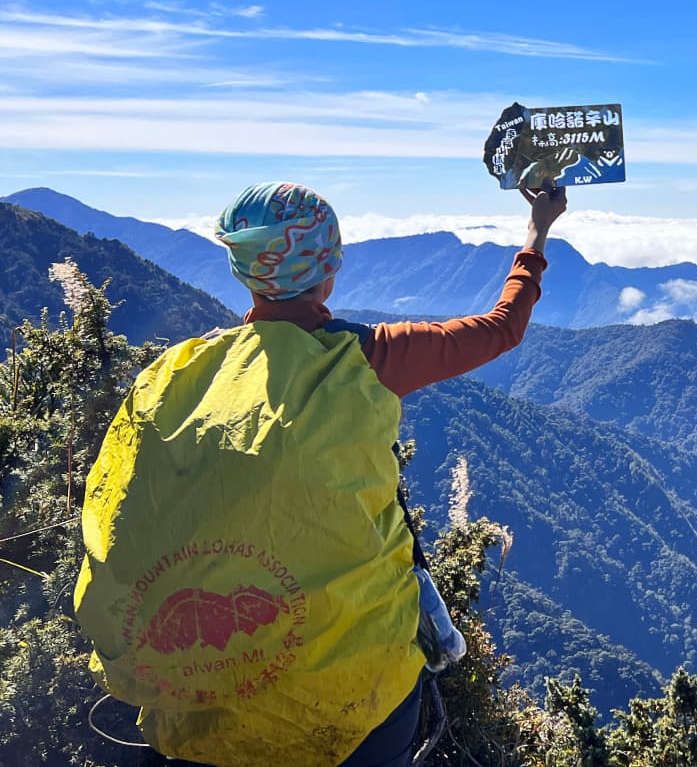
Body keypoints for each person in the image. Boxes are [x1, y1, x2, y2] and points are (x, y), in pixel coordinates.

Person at [75, 180, 567, 767]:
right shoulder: (368, 357)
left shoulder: (175, 373)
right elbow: (502, 328)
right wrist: (538, 230)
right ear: (329, 268)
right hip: (354, 702)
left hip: (200, 700)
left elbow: (115, 502)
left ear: (242, 269)